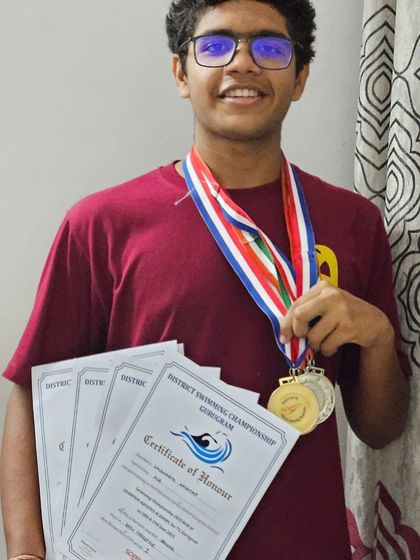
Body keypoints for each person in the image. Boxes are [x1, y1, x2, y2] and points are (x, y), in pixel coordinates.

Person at [0, 0, 411, 559]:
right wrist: (26, 552)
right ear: (181, 73)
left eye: (270, 47)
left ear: (300, 78)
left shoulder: (352, 222)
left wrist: (379, 336)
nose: (242, 62)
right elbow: (35, 393)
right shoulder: (103, 226)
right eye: (215, 46)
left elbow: (380, 429)